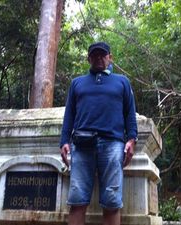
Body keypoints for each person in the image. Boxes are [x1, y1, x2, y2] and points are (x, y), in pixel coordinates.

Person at [60, 41, 138, 225]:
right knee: (77, 200)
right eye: (94, 55)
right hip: (81, 145)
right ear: (89, 59)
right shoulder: (77, 83)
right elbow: (69, 114)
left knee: (111, 201)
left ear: (110, 57)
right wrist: (64, 140)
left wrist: (132, 139)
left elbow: (130, 113)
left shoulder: (122, 82)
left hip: (113, 145)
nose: (99, 58)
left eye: (103, 55)